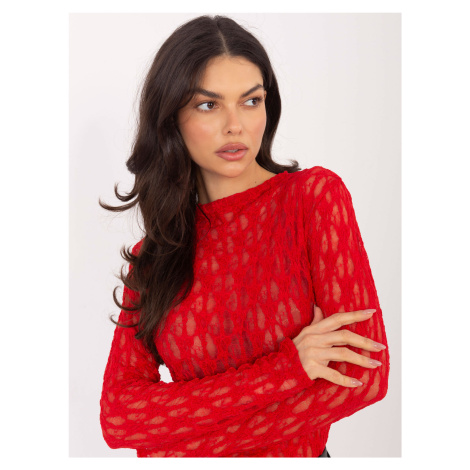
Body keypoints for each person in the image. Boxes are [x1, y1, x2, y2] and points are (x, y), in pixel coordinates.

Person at [99, 15, 389, 458]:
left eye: (251, 101)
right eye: (208, 105)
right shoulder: (155, 256)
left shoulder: (311, 199)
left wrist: (174, 449)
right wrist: (286, 371)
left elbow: (363, 378)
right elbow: (120, 417)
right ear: (171, 118)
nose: (235, 125)